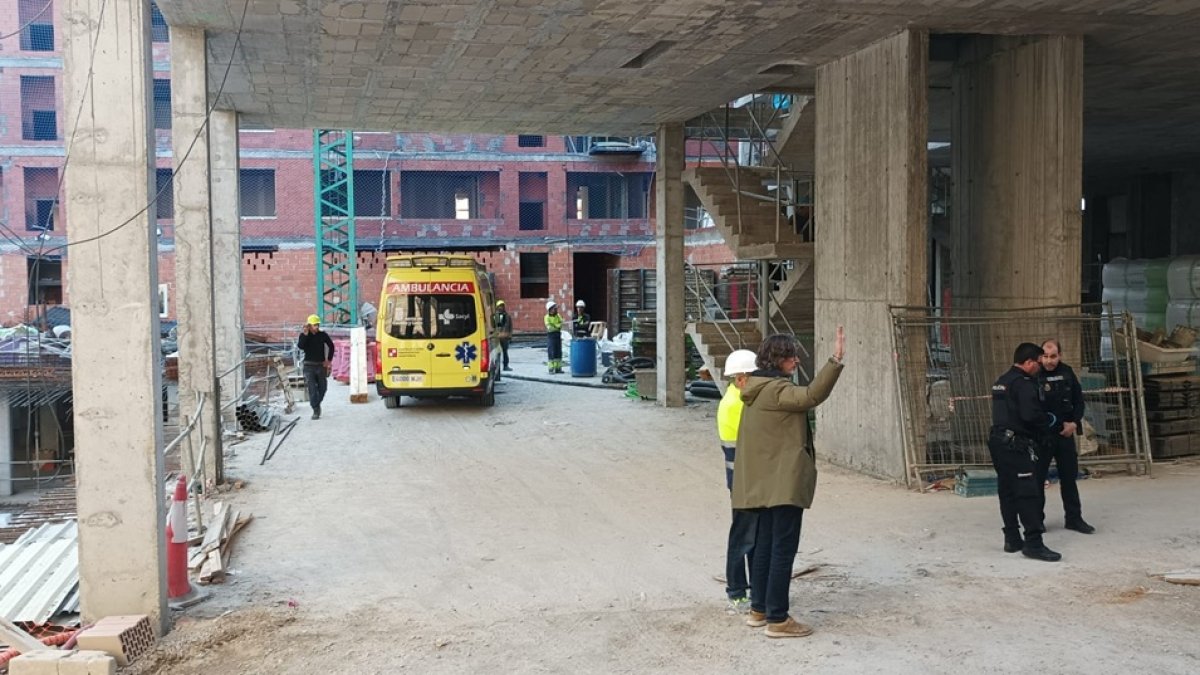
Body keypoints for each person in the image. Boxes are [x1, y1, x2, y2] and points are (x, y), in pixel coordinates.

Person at [733, 328, 845, 638]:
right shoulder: (776, 391)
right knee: (782, 550)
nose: (796, 360)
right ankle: (778, 619)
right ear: (777, 359)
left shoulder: (755, 390)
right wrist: (835, 360)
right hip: (783, 485)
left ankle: (758, 610)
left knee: (765, 548)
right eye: (791, 356)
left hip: (764, 485)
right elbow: (811, 395)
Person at [988, 342, 1068, 562]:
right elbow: (1030, 415)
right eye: (1039, 361)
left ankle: (1012, 538)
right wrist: (1054, 424)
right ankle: (1033, 542)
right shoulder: (1023, 384)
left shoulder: (1001, 382)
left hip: (998, 442)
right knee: (1028, 492)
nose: (1041, 366)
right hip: (1017, 444)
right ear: (1029, 362)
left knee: (1007, 490)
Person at [1038, 339, 1094, 534]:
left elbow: (1079, 401)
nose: (1049, 361)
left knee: (1069, 478)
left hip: (1065, 434)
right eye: (1045, 356)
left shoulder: (1067, 372)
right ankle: (1036, 521)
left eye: (1053, 356)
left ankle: (1074, 519)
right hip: (1042, 436)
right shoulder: (1035, 375)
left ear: (1059, 355)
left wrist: (1074, 423)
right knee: (1037, 480)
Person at [718, 349, 760, 614]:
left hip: (743, 479)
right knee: (743, 537)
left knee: (750, 535)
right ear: (741, 378)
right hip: (744, 480)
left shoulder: (734, 398)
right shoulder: (738, 404)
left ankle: (753, 586)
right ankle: (736, 589)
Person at [297, 314, 335, 420]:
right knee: (312, 389)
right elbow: (300, 346)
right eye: (314, 325)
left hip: (320, 366)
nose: (317, 327)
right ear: (309, 326)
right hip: (309, 366)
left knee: (323, 388)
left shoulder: (322, 335)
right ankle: (315, 410)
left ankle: (316, 403)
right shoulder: (304, 335)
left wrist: (329, 360)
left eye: (317, 324)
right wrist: (305, 334)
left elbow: (331, 346)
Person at [544, 300, 563, 374]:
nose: (556, 310)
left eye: (556, 308)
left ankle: (558, 368)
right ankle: (551, 368)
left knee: (558, 351)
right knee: (552, 351)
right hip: (551, 336)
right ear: (550, 309)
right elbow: (550, 328)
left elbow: (561, 323)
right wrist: (557, 326)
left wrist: (556, 326)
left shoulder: (558, 315)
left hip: (558, 335)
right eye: (554, 308)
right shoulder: (546, 317)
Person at [494, 300, 513, 372]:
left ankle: (506, 366)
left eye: (502, 306)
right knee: (497, 353)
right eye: (499, 306)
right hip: (498, 338)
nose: (501, 307)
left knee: (505, 352)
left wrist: (510, 336)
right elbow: (496, 327)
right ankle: (497, 368)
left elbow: (510, 326)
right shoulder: (496, 316)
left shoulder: (508, 316)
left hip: (505, 338)